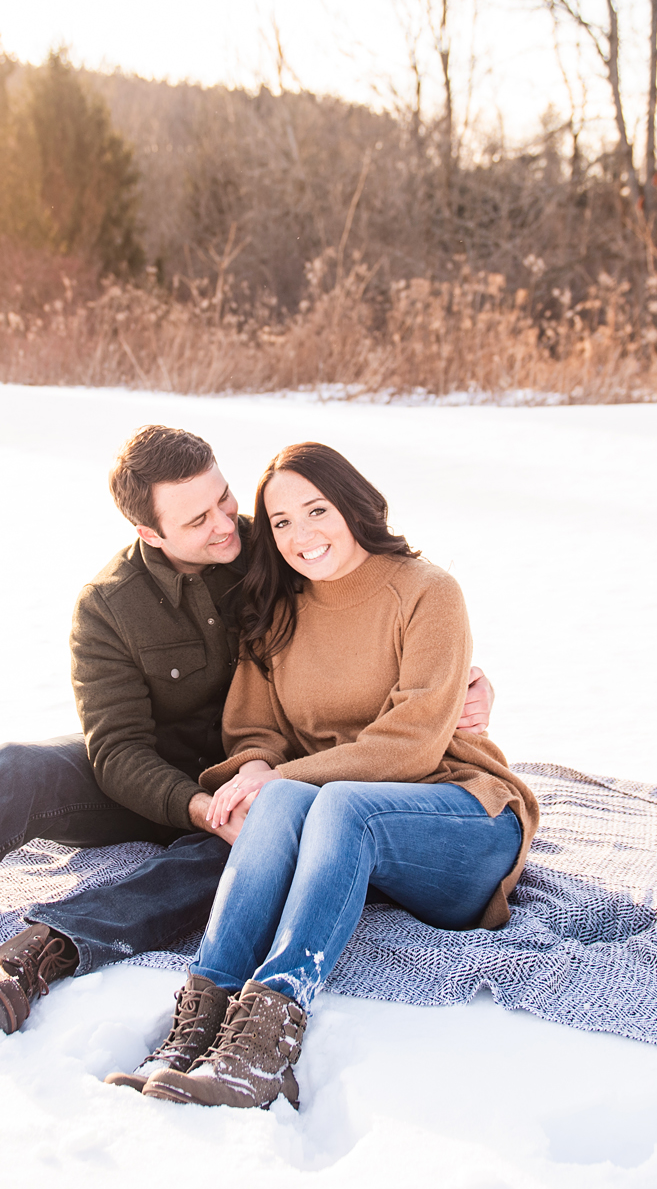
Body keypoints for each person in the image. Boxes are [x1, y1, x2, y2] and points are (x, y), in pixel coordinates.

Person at [0, 426, 495, 1042]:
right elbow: (117, 751)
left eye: (225, 499)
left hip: (269, 774)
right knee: (14, 766)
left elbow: (378, 592)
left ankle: (40, 951)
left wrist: (472, 680)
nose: (229, 522)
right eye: (198, 518)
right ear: (148, 530)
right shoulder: (108, 607)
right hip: (163, 778)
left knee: (247, 833)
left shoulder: (274, 545)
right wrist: (194, 803)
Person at [104, 442, 538, 1109]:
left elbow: (413, 742)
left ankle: (267, 1042)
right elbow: (256, 733)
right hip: (350, 828)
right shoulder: (281, 607)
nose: (301, 535)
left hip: (462, 821)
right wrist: (254, 771)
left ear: (353, 504)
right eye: (280, 522)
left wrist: (283, 776)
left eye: (316, 510)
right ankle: (198, 1019)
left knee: (328, 802)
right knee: (285, 802)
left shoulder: (427, 591)